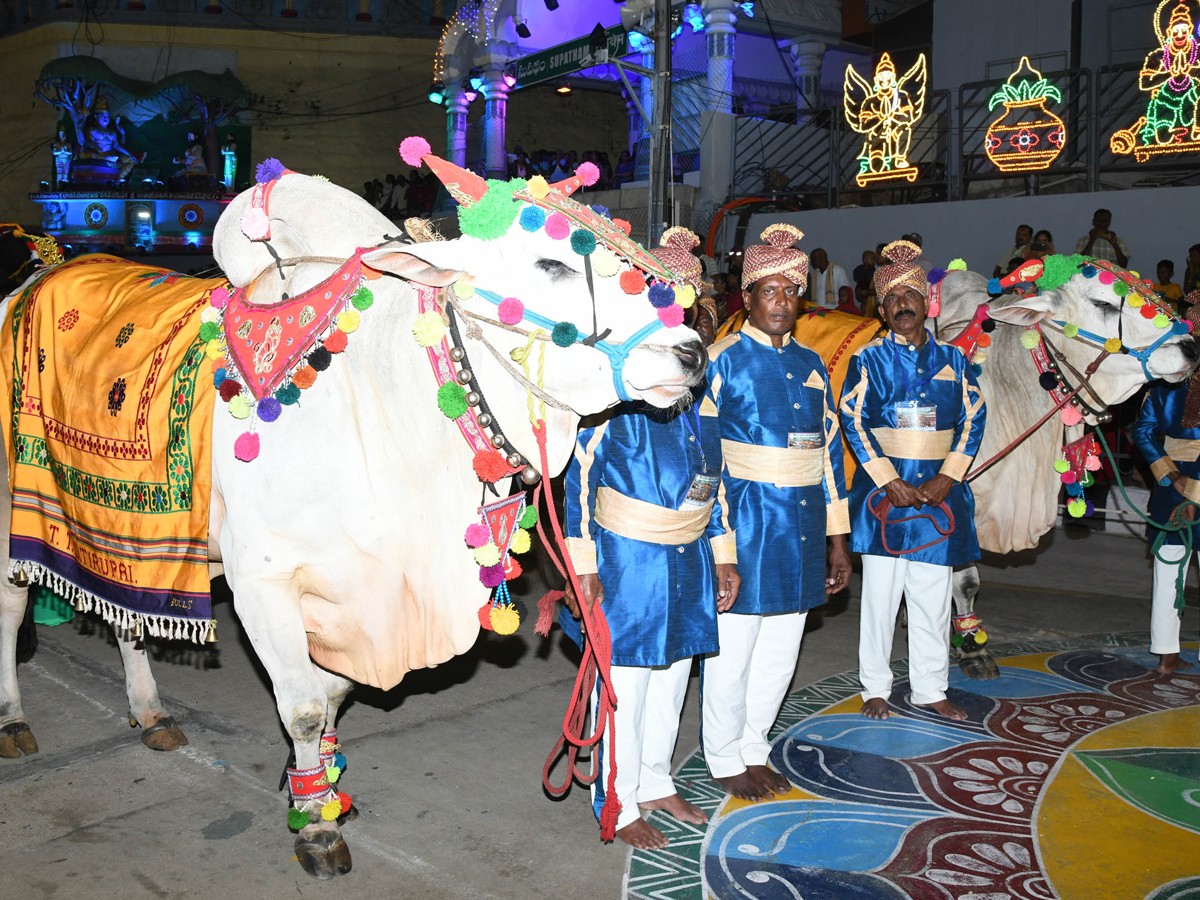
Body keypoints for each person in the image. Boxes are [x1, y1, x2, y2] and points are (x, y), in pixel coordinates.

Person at [561, 233, 739, 851]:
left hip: (689, 556)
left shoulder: (704, 400)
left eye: (697, 309)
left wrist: (722, 554)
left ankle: (656, 779)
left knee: (675, 672)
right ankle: (617, 795)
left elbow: (709, 486)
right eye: (677, 308)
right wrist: (583, 566)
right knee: (628, 683)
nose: (689, 321)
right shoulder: (617, 391)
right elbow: (579, 481)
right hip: (626, 561)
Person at [700, 223, 852, 801]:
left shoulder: (814, 364)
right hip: (745, 519)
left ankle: (753, 746)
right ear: (747, 296)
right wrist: (720, 548)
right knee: (735, 648)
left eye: (791, 292)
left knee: (783, 647)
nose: (782, 302)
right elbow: (705, 460)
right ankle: (721, 754)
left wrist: (838, 540)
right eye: (769, 291)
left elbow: (830, 455)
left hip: (804, 526)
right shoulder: (720, 361)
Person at [839, 239, 987, 722]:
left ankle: (931, 688)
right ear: (881, 310)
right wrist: (886, 480)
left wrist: (949, 477)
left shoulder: (956, 360)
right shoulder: (868, 360)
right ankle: (875, 688)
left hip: (938, 499)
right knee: (880, 601)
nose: (903, 306)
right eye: (893, 299)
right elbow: (852, 419)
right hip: (886, 500)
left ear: (928, 304)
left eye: (911, 297)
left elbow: (974, 418)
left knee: (932, 599)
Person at [1131, 316, 1200, 676]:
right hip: (1176, 488)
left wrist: (1172, 476)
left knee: (1169, 569)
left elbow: (1143, 432)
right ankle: (1166, 654)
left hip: (1172, 487)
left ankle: (1167, 655)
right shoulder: (1166, 385)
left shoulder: (1164, 385)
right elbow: (1141, 430)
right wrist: (1179, 481)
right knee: (1170, 566)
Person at [80, 98, 139, 183]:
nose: (105, 118)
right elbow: (87, 143)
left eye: (107, 116)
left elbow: (116, 146)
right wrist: (94, 146)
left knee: (130, 160)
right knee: (84, 155)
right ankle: (104, 161)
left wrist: (130, 154)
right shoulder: (93, 130)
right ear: (96, 116)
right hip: (98, 155)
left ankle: (118, 178)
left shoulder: (112, 132)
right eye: (103, 116)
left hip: (111, 156)